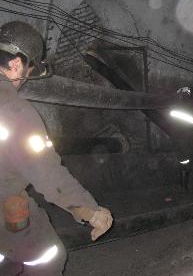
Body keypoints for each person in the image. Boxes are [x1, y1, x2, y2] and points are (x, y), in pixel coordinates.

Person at [0, 21, 113, 275]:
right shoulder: (15, 111)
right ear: (17, 64)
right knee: (47, 255)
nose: (26, 78)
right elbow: (47, 174)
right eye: (29, 70)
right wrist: (90, 211)